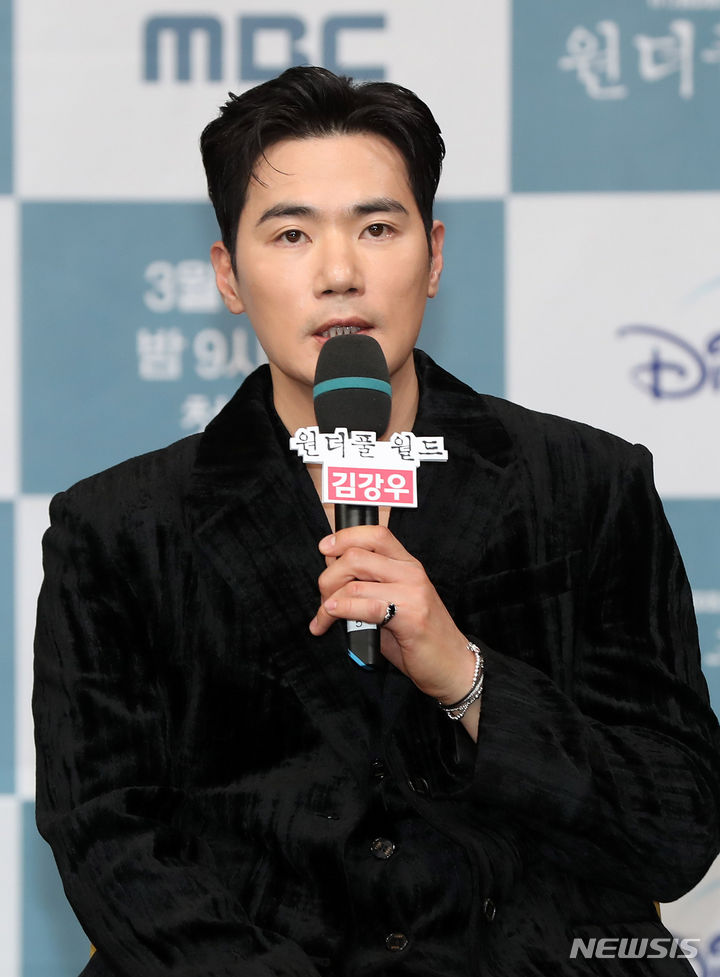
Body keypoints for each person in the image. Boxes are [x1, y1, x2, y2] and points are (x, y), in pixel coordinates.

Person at [33, 66, 720, 976]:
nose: (340, 273)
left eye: (377, 228)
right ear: (228, 275)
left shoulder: (588, 487)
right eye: (291, 233)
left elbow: (675, 826)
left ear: (433, 257)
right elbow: (108, 839)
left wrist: (467, 677)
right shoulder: (117, 529)